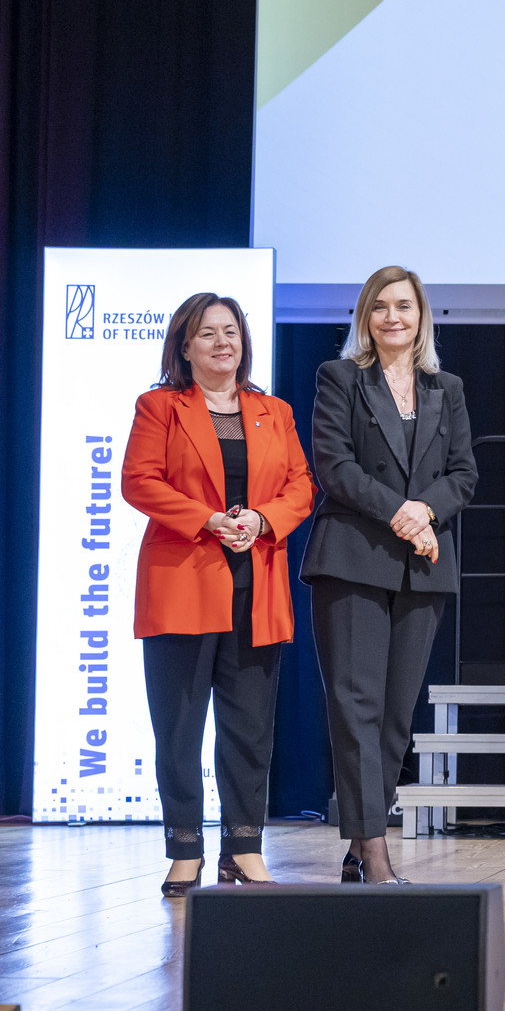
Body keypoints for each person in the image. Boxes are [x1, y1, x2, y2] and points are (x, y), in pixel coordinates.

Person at [122, 292, 315, 897]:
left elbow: (301, 486)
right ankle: (185, 850)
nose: (221, 342)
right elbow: (138, 481)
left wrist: (261, 519)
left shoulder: (274, 411)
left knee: (249, 729)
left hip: (257, 588)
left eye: (230, 331)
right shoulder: (160, 406)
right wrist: (207, 520)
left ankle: (243, 848)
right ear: (185, 346)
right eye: (207, 333)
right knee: (179, 728)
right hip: (182, 582)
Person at [300, 266, 478, 884]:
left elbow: (464, 473)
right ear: (365, 318)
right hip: (352, 559)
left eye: (404, 305)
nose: (392, 317)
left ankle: (360, 843)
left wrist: (424, 510)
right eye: (380, 307)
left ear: (421, 315)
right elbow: (334, 466)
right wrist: (403, 513)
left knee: (397, 715)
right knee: (357, 708)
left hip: (422, 567)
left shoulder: (446, 387)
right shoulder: (340, 377)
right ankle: (374, 851)